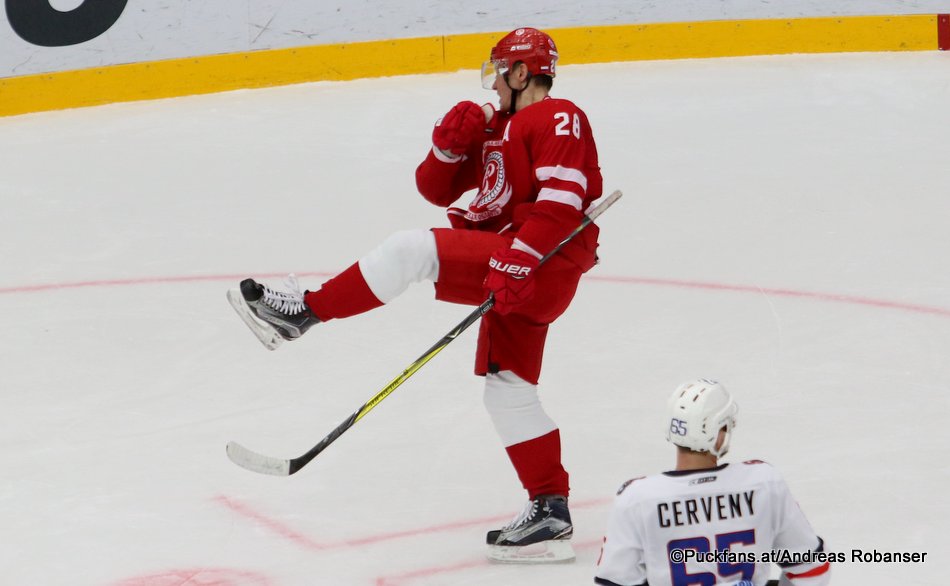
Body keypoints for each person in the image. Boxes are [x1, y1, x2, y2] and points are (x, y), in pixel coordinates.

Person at [231, 27, 604, 563]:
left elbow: (563, 200)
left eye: (500, 72)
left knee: (410, 251)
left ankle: (304, 312)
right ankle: (550, 510)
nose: (493, 83)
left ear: (522, 73)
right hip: (516, 264)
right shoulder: (501, 125)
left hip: (538, 265)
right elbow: (436, 190)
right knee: (508, 390)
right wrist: (447, 149)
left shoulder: (557, 116)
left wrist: (516, 260)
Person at [594, 379, 832, 585]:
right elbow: (811, 566)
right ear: (716, 432)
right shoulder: (763, 482)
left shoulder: (637, 498)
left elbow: (615, 580)